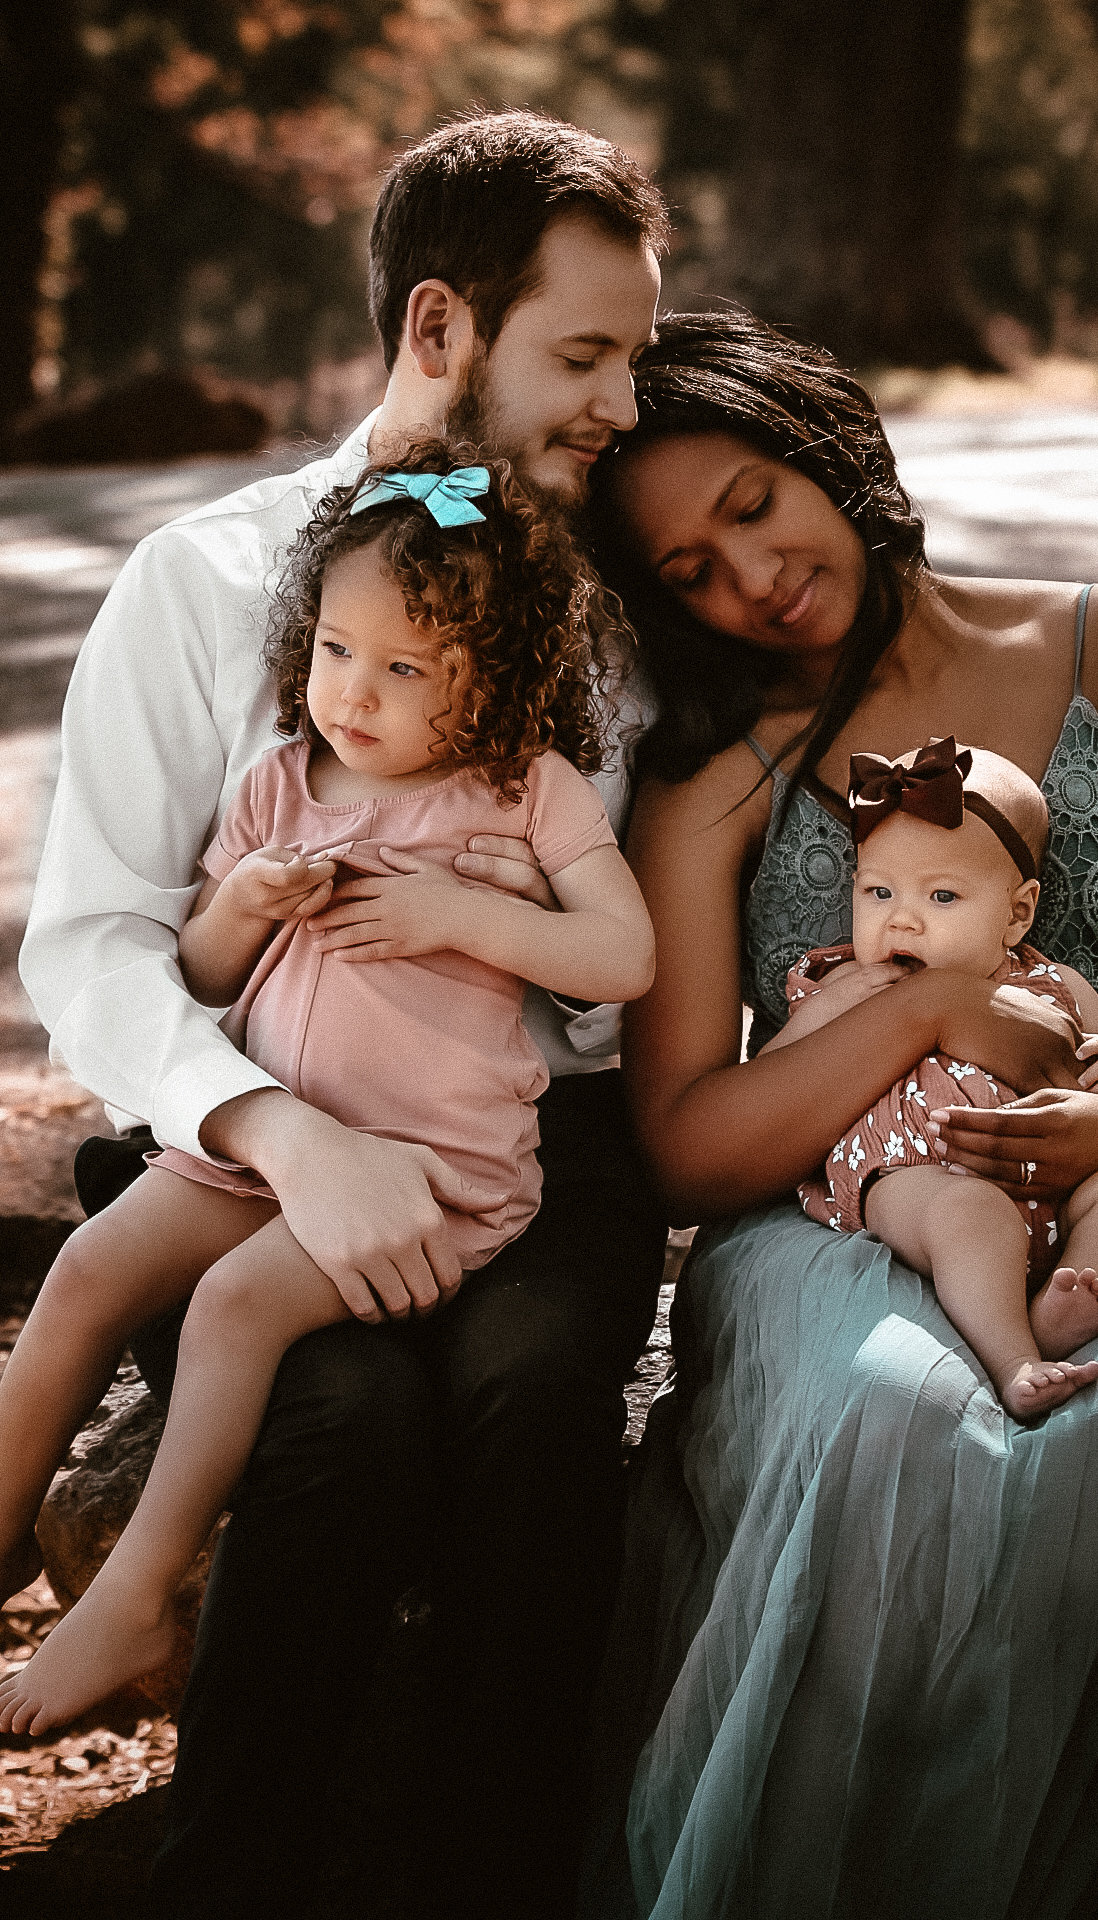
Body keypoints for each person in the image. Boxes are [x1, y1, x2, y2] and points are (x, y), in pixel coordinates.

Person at [17, 112, 669, 1919]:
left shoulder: (583, 625)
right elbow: (91, 944)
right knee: (340, 1421)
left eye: (637, 358)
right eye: (585, 356)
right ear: (441, 327)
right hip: (250, 1136)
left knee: (539, 1399)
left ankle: (500, 1871)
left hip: (518, 1149)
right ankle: (236, 1870)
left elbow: (603, 981)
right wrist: (280, 1133)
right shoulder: (208, 583)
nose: (623, 406)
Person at [578, 311, 1098, 1918]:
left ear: (828, 445)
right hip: (837, 1219)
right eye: (687, 568)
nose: (748, 578)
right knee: (905, 1416)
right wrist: (919, 1009)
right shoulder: (717, 780)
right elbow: (687, 1139)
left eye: (753, 504)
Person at [0, 443, 655, 1736]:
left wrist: (461, 914)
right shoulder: (282, 782)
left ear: (494, 680)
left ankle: (136, 1593)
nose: (353, 694)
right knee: (85, 1272)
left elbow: (623, 956)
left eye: (405, 669)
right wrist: (240, 908)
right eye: (334, 651)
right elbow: (192, 969)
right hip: (267, 1147)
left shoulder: (530, 797)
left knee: (235, 1310)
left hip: (429, 1173)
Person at [773, 736, 1098, 1420]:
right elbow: (777, 1082)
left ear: (1017, 913)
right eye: (878, 891)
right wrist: (820, 1020)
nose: (900, 917)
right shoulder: (846, 984)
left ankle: (1074, 1296)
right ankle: (1014, 1358)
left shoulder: (1058, 986)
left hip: (1055, 1186)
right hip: (911, 1181)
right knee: (972, 1213)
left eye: (941, 895)